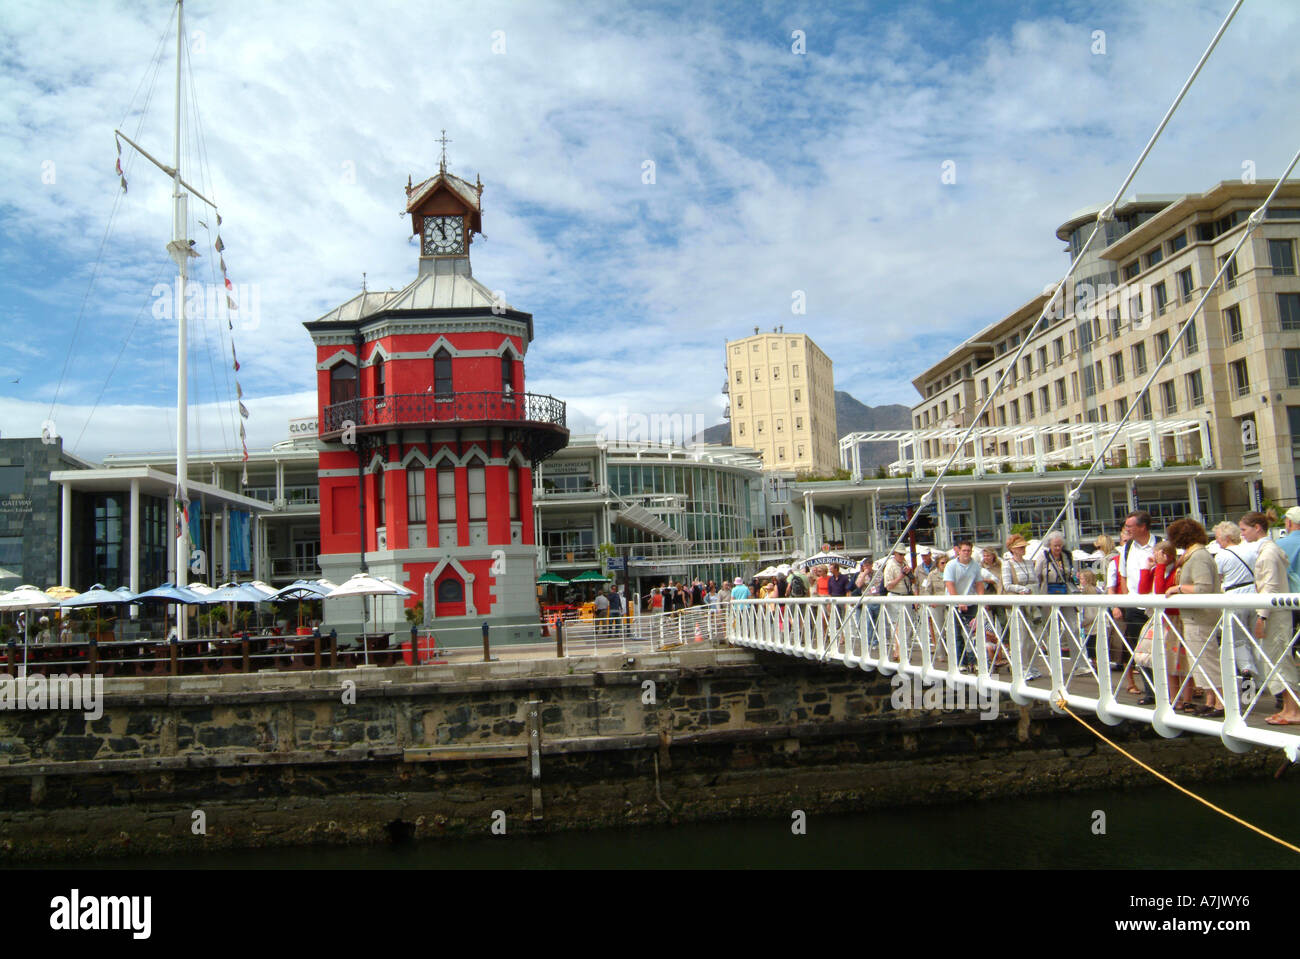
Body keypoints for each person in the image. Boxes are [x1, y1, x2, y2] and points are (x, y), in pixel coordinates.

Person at [1240, 510, 1300, 725]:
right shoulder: (1269, 550)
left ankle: (1294, 709)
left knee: (1279, 658)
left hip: (1275, 614)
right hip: (1276, 613)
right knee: (1276, 658)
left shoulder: (1268, 552)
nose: (1242, 534)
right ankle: (1288, 708)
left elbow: (1271, 587)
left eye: (1244, 530)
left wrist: (1261, 617)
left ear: (1257, 528)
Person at [1166, 518, 1223, 716]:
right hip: (1194, 616)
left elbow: (1204, 587)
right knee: (1201, 658)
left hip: (1201, 616)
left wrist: (1178, 588)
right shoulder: (1194, 555)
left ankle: (1220, 702)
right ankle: (1211, 700)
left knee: (1207, 658)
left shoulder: (1198, 556)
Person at [1115, 510, 1158, 703]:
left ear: (1142, 527)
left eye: (1130, 526)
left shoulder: (1159, 545)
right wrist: (1126, 601)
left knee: (1159, 649)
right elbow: (1122, 575)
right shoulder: (1128, 547)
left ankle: (1170, 694)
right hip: (1134, 607)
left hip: (1155, 606)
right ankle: (1151, 692)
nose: (1127, 529)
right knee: (1140, 651)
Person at [1212, 520, 1259, 679]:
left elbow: (1217, 581)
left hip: (1234, 597)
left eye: (1218, 537)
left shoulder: (1221, 556)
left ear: (1226, 538)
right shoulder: (1250, 551)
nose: (1217, 540)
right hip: (1254, 594)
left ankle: (1247, 672)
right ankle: (1261, 681)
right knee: (1255, 638)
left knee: (1239, 639)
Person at [943, 540, 985, 669]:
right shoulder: (951, 565)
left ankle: (975, 661)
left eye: (968, 550)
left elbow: (979, 584)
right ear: (958, 551)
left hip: (971, 601)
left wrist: (982, 600)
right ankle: (961, 662)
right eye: (964, 550)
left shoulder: (975, 565)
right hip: (954, 603)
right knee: (957, 634)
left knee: (974, 633)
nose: (966, 553)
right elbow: (949, 584)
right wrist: (958, 601)